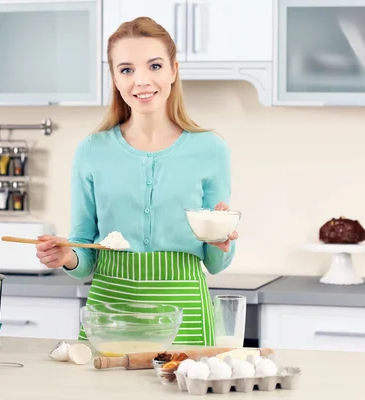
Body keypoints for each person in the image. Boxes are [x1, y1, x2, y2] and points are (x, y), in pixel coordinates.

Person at [35, 16, 238, 347]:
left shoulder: (211, 149)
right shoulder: (91, 151)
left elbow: (216, 263)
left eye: (154, 66)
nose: (141, 80)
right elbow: (84, 251)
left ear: (173, 70)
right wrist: (67, 256)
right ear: (114, 78)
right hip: (110, 311)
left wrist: (221, 244)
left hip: (182, 311)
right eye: (126, 69)